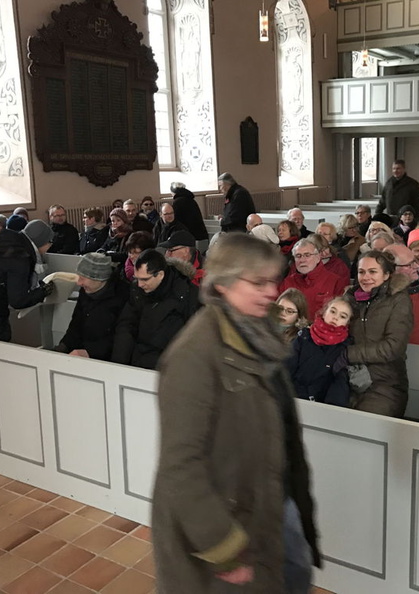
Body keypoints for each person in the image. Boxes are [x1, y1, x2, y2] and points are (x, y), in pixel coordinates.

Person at [152, 233, 320, 593]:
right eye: (257, 282)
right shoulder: (194, 354)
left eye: (272, 281)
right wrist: (223, 547)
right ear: (224, 284)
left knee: (294, 572)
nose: (271, 292)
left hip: (264, 496)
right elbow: (180, 465)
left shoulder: (258, 333)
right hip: (226, 516)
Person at [345, 250, 414, 417]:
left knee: (364, 426)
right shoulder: (350, 298)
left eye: (372, 271)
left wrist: (346, 354)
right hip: (347, 377)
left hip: (384, 383)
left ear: (386, 275)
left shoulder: (399, 300)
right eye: (361, 272)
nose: (365, 277)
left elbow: (393, 347)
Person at [112, 249, 201, 370]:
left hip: (170, 368)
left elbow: (193, 340)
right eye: (136, 278)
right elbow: (126, 326)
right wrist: (119, 365)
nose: (139, 284)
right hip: (138, 364)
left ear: (160, 275)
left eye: (144, 279)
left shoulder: (187, 294)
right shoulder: (137, 291)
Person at [53, 253, 129, 361]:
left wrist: (90, 351)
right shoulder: (85, 291)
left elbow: (122, 339)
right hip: (81, 355)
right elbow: (75, 326)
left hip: (107, 361)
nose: (79, 283)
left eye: (83, 278)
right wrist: (63, 347)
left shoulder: (124, 296)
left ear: (100, 279)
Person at [288, 297, 353, 407]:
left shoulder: (345, 347)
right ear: (324, 312)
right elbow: (287, 368)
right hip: (292, 400)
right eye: (333, 311)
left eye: (343, 316)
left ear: (347, 323)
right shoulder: (303, 336)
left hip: (320, 406)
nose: (335, 318)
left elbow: (339, 384)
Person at [279, 239, 347, 319]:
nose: (302, 260)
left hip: (321, 330)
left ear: (318, 257)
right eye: (298, 256)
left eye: (307, 255)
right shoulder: (287, 282)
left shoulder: (335, 281)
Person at [171, 182, 209, 251]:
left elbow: (174, 220)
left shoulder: (177, 202)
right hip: (200, 234)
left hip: (189, 236)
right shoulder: (191, 200)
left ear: (174, 192)